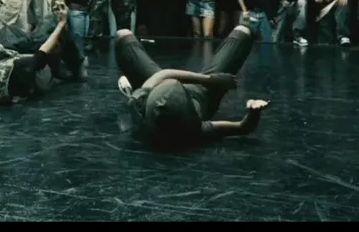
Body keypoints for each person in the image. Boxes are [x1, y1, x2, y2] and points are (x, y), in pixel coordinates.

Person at [114, 25, 270, 148]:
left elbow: (165, 74)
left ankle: (137, 86)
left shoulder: (139, 104)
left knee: (122, 35)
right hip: (203, 93)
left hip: (156, 84)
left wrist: (209, 78)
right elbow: (243, 127)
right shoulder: (195, 129)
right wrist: (254, 111)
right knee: (243, 32)